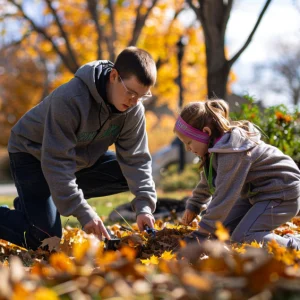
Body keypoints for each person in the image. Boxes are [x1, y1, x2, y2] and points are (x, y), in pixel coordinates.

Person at [0, 46, 157, 250]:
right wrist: (83, 212)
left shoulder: (134, 110)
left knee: (124, 173)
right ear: (114, 76)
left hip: (74, 161)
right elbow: (57, 162)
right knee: (44, 240)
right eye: (130, 92)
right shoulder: (71, 99)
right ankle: (39, 201)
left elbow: (136, 160)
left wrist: (144, 206)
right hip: (31, 154)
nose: (134, 101)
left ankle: (41, 201)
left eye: (141, 96)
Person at [175, 99, 300, 249]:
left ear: (206, 133)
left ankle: (294, 245)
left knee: (243, 237)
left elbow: (224, 197)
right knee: (222, 233)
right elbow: (207, 182)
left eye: (189, 142)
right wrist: (194, 206)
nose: (188, 148)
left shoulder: (231, 152)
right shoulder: (217, 150)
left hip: (281, 192)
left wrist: (201, 233)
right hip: (258, 193)